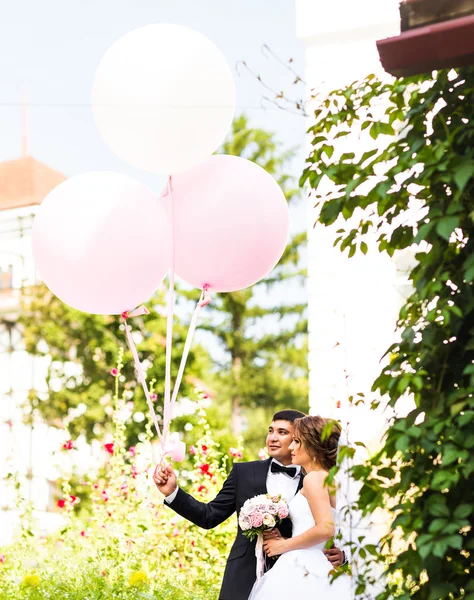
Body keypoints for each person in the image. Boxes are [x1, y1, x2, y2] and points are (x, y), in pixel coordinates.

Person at [153, 410, 345, 600]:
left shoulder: (315, 478)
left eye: (284, 433)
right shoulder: (243, 472)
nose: (273, 438)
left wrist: (342, 555)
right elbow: (208, 516)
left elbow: (335, 524)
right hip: (243, 576)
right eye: (271, 430)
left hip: (299, 576)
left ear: (307, 441)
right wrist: (172, 492)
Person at [248, 415, 351, 599]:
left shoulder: (314, 478)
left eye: (296, 441)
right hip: (316, 562)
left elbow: (326, 528)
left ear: (312, 446)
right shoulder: (328, 478)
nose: (291, 447)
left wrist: (283, 545)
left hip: (303, 566)